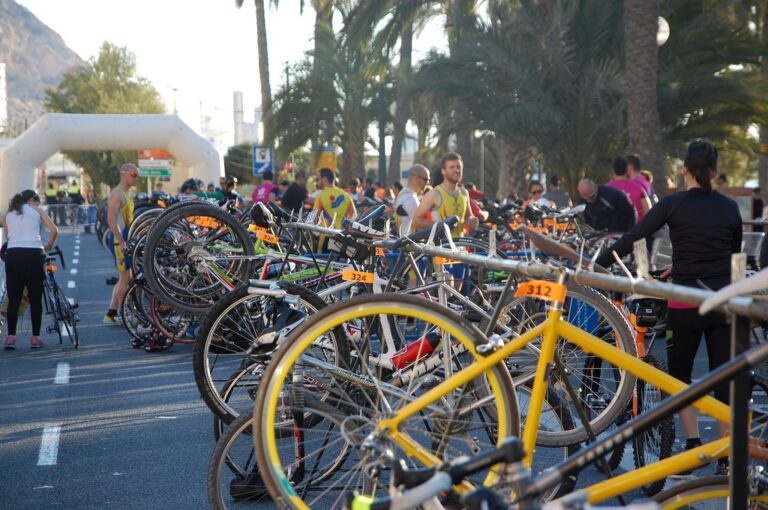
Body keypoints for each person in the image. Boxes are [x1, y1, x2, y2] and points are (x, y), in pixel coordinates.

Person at [595, 140, 741, 476]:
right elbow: (730, 255)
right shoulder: (730, 208)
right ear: (715, 171)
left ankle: (691, 445)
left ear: (684, 170)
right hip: (722, 301)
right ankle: (725, 460)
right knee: (724, 381)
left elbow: (635, 234)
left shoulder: (673, 204)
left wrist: (598, 261)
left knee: (679, 378)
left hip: (685, 301)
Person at [3, 190, 58, 349]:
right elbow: (54, 230)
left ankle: (11, 337)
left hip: (13, 256)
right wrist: (47, 246)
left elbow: (8, 237)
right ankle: (35, 337)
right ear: (29, 201)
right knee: (35, 298)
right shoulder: (37, 211)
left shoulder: (8, 215)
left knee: (14, 298)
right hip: (34, 255)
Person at [103, 163, 139, 325]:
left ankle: (111, 314)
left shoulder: (126, 193)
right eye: (134, 174)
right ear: (123, 173)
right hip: (120, 241)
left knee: (123, 278)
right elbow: (111, 220)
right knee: (126, 278)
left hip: (126, 239)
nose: (136, 178)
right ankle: (125, 314)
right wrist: (122, 241)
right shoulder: (116, 194)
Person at [413, 152, 478, 237]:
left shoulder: (464, 192)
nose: (456, 170)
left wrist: (473, 220)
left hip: (461, 247)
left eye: (459, 167)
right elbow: (416, 220)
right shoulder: (434, 194)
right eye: (452, 167)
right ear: (443, 171)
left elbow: (468, 217)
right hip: (442, 248)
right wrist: (440, 225)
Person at [607, 156, 651, 222]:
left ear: (613, 170)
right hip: (636, 230)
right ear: (627, 170)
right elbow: (649, 213)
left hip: (611, 230)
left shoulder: (605, 189)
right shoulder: (639, 189)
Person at [395, 164, 430, 236]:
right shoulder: (410, 198)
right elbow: (419, 225)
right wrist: (438, 224)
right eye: (426, 179)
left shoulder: (403, 193)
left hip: (404, 242)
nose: (428, 183)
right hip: (410, 244)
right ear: (416, 179)